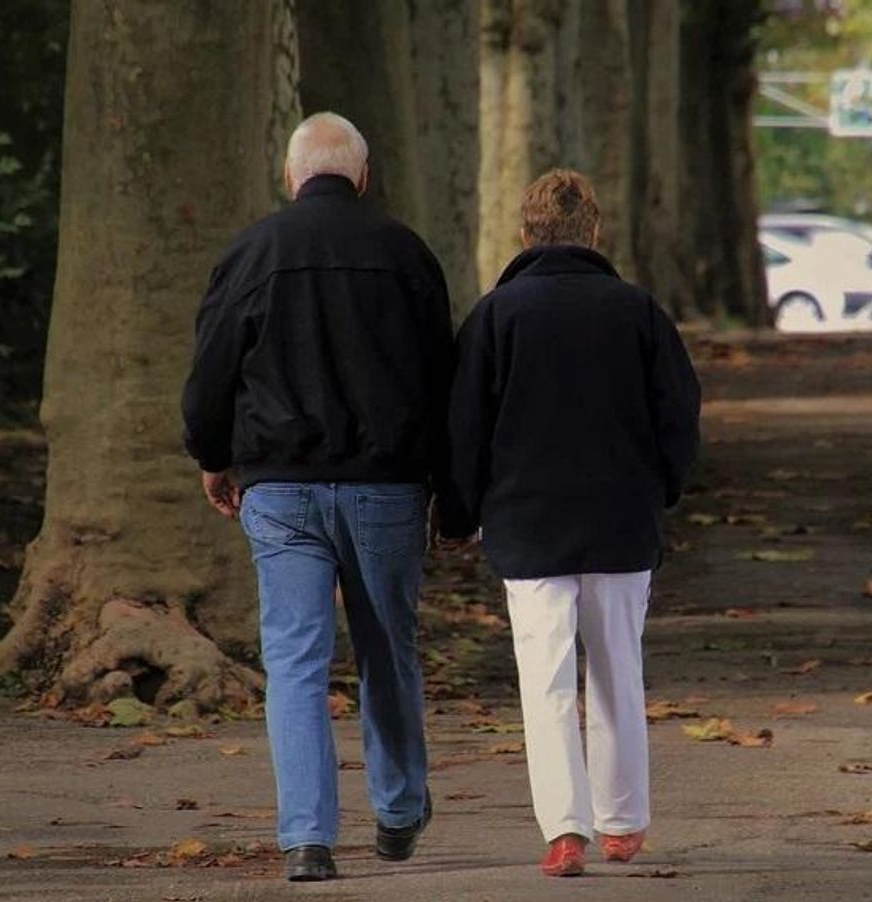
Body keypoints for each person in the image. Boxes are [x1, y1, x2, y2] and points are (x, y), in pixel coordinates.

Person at [182, 112, 459, 882]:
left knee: (296, 661)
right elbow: (445, 382)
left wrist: (215, 457)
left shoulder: (252, 252)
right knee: (387, 651)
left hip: (280, 487)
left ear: (291, 174)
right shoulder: (407, 254)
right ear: (364, 176)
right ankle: (400, 809)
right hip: (387, 489)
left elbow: (210, 374)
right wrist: (449, 485)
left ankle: (308, 838)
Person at [446, 169, 701, 877]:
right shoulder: (639, 312)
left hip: (527, 525)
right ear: (596, 231)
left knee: (546, 679)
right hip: (621, 521)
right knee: (619, 669)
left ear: (525, 234)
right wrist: (664, 490)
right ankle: (623, 820)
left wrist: (461, 512)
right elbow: (678, 415)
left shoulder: (496, 316)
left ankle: (565, 827)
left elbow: (466, 428)